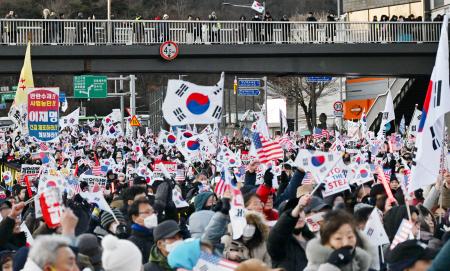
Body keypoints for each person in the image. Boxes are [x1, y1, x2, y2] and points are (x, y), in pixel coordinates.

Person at [304, 209, 375, 271]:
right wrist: (331, 265)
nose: (346, 243)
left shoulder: (361, 262)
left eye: (350, 237)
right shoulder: (314, 267)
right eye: (338, 238)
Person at [268, 194, 315, 271]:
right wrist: (298, 207)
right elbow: (279, 231)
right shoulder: (277, 243)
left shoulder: (312, 238)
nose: (298, 217)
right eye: (296, 213)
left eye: (301, 211)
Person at [128, 198, 157, 263]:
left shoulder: (157, 237)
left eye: (153, 212)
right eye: (147, 212)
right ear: (134, 218)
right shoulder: (132, 244)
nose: (153, 215)